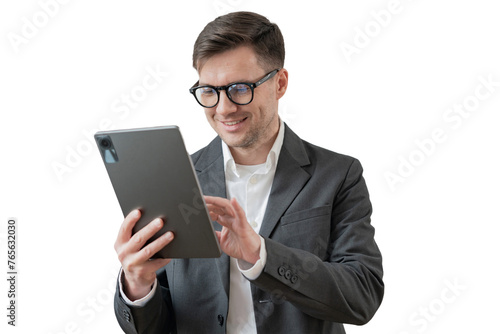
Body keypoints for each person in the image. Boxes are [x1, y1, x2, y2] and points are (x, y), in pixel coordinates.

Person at [113, 11, 383, 334]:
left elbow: (362, 294)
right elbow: (157, 326)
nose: (224, 108)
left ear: (280, 83)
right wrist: (137, 285)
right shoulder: (175, 179)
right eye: (209, 91)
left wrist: (261, 255)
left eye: (240, 88)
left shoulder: (338, 175)